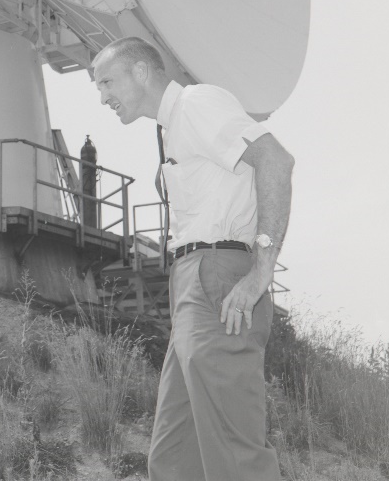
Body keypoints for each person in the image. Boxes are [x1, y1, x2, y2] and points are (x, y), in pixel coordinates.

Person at [91, 37, 294, 481]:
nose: (102, 96)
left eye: (107, 81)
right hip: (191, 282)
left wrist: (262, 270)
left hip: (216, 274)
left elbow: (274, 160)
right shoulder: (172, 127)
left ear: (141, 72)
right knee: (173, 459)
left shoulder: (197, 104)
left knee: (234, 456)